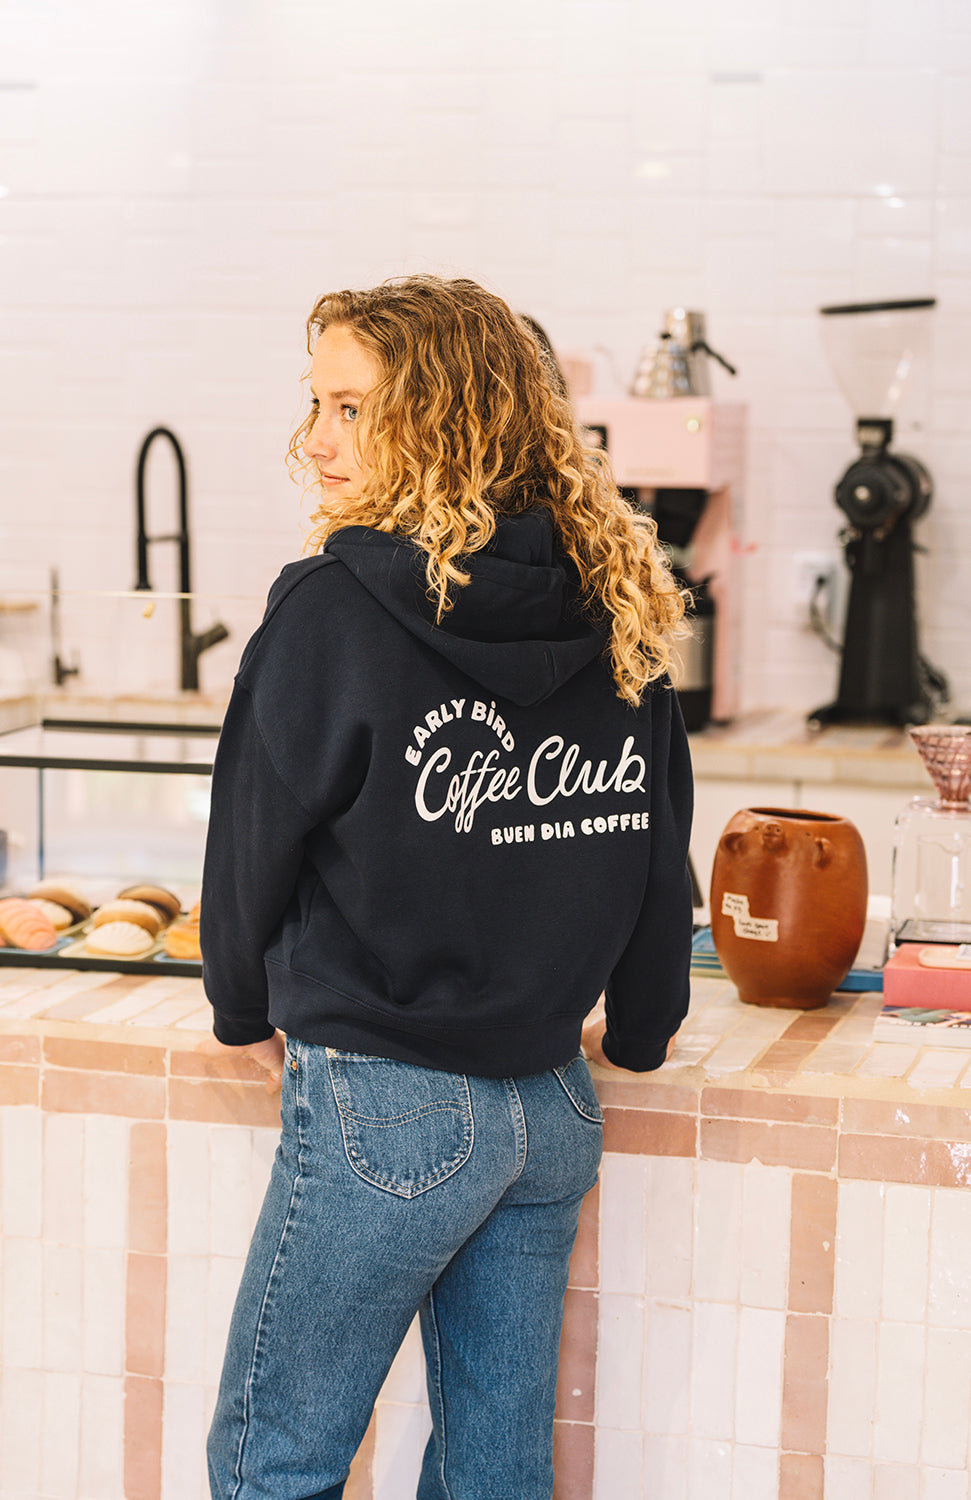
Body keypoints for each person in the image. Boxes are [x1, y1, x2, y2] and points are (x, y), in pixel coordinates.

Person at [200, 274, 694, 1500]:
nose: (317, 440)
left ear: (446, 418)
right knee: (493, 1473)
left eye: (353, 409)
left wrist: (238, 1007)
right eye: (318, 404)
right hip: (550, 1107)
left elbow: (251, 834)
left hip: (388, 1103)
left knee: (273, 1459)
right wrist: (641, 1029)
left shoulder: (331, 603)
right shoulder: (612, 594)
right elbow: (655, 851)